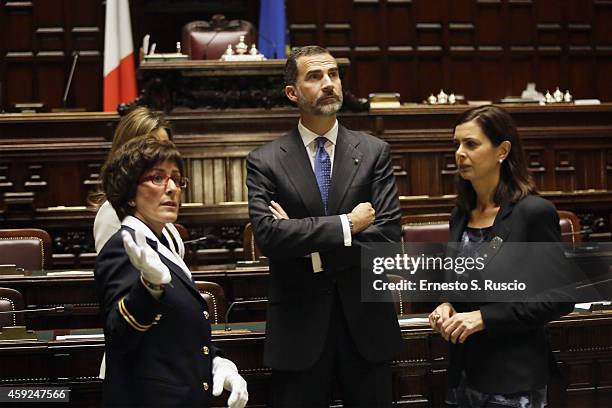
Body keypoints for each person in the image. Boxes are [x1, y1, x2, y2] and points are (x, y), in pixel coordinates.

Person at [246, 45, 402, 407]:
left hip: (367, 328)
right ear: (292, 92)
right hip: (298, 332)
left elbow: (388, 237)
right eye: (315, 76)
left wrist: (305, 243)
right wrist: (349, 224)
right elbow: (269, 237)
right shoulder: (265, 161)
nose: (328, 83)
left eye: (333, 74)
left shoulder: (374, 152)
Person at [428, 105, 574, 407]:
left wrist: (485, 318)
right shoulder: (460, 214)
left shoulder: (533, 213)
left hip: (513, 377)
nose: (459, 153)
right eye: (456, 144)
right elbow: (458, 285)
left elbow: (560, 296)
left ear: (502, 151)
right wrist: (445, 305)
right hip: (464, 374)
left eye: (471, 144)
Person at [95, 137, 248, 407]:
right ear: (130, 192)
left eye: (177, 179)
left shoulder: (161, 244)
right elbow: (119, 335)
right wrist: (148, 288)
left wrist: (217, 363)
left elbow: (174, 334)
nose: (172, 188)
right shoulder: (124, 246)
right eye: (157, 178)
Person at [92, 106, 184, 259]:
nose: (160, 153)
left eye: (165, 145)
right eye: (151, 146)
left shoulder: (156, 207)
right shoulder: (112, 212)